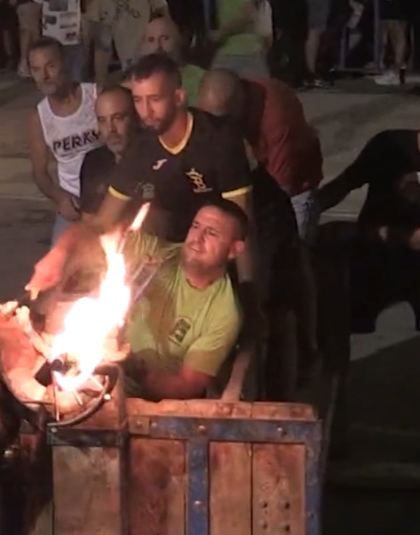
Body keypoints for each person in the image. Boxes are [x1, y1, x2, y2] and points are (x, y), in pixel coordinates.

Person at [28, 54, 265, 375]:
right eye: (138, 101)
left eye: (154, 99)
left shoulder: (218, 140)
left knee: (244, 319)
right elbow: (101, 223)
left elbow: (241, 228)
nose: (145, 111)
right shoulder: (142, 149)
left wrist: (250, 295)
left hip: (226, 234)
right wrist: (59, 255)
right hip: (175, 241)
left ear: (178, 96)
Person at [308, 90, 420, 466]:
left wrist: (354, 232)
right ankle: (325, 423)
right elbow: (346, 183)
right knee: (335, 334)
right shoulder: (389, 144)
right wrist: (306, 211)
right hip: (372, 260)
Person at [196, 68, 321, 398]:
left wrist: (251, 292)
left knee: (279, 297)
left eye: (219, 121)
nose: (211, 128)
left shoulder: (277, 124)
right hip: (227, 204)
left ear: (239, 113)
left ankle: (307, 355)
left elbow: (266, 204)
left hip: (284, 193)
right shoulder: (207, 127)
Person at [60, 199, 248, 400]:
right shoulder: (157, 253)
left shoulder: (224, 313)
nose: (197, 238)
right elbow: (92, 236)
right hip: (87, 369)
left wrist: (131, 366)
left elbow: (186, 386)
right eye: (195, 226)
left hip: (138, 397)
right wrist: (57, 257)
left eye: (211, 233)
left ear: (234, 250)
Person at [27, 38, 103, 242]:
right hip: (74, 204)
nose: (44, 76)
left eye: (50, 66)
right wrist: (60, 198)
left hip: (109, 198)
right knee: (55, 270)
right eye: (36, 69)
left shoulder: (97, 96)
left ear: (66, 63)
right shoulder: (39, 117)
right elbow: (39, 173)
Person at [79, 85, 139, 218]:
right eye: (102, 120)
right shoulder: (93, 161)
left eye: (118, 118)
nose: (111, 129)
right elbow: (88, 219)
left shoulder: (157, 160)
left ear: (136, 117)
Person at [139, 16, 207, 106]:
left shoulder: (203, 80)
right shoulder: (134, 83)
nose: (157, 47)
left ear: (181, 40)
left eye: (165, 39)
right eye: (151, 40)